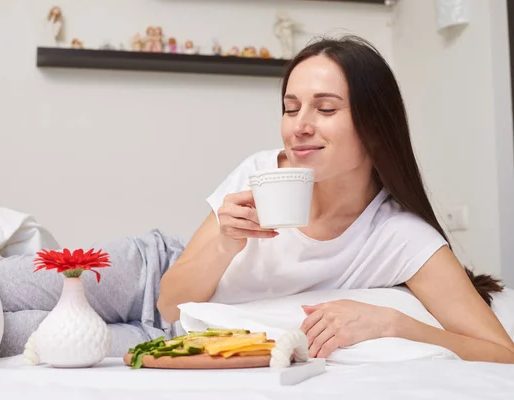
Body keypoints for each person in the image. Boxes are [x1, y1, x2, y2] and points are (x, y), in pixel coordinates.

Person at [157, 35, 514, 363]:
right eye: (291, 108)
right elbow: (168, 306)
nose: (299, 126)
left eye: (325, 109)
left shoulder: (399, 236)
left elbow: (501, 353)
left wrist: (393, 324)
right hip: (154, 262)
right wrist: (225, 244)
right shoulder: (259, 175)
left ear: (374, 127)